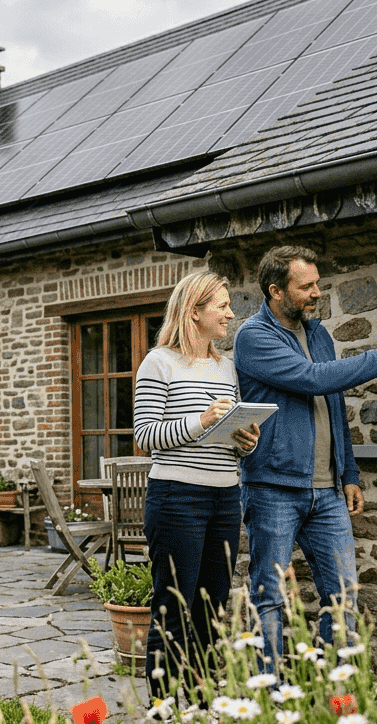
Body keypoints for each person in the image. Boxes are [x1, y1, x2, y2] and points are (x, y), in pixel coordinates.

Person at [234, 245, 377, 670]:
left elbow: (335, 404)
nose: (316, 292)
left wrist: (350, 472)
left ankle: (338, 692)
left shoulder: (319, 334)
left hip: (326, 494)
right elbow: (312, 379)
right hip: (273, 488)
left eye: (317, 284)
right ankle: (268, 693)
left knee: (344, 594)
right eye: (305, 286)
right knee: (269, 593)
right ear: (276, 291)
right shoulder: (254, 337)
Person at [134, 269, 260, 701]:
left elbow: (227, 442)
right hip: (177, 499)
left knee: (211, 610)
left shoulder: (227, 367)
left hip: (225, 497)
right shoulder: (159, 362)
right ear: (195, 311)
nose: (230, 313)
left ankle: (204, 705)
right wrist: (203, 419)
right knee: (173, 608)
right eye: (222, 306)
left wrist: (245, 440)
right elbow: (146, 436)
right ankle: (163, 711)